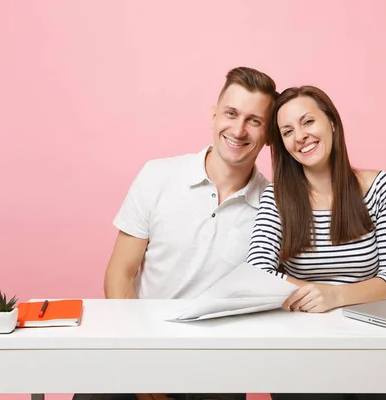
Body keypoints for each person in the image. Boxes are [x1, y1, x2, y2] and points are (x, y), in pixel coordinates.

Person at [72, 66, 277, 400]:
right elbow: (119, 275)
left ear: (268, 135)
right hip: (140, 345)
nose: (238, 129)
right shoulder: (157, 176)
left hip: (217, 365)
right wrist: (140, 364)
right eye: (231, 113)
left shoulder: (274, 207)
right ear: (213, 116)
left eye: (254, 120)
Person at [246, 85, 386, 400]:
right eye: (287, 131)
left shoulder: (381, 187)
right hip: (301, 345)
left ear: (331, 122)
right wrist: (315, 297)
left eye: (307, 122)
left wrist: (335, 296)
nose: (300, 136)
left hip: (373, 338)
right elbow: (258, 271)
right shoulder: (275, 197)